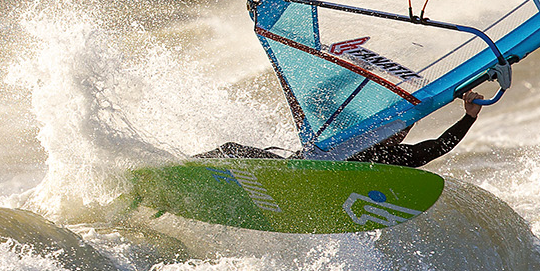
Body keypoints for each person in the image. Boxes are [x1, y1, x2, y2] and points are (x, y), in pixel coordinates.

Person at [199, 91, 484, 168]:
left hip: (322, 188)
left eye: (406, 126)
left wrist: (468, 117)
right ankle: (176, 170)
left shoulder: (392, 158)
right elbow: (314, 99)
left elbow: (437, 147)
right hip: (291, 171)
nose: (400, 133)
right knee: (230, 150)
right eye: (398, 125)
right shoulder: (353, 131)